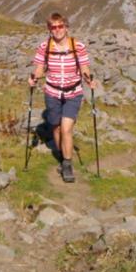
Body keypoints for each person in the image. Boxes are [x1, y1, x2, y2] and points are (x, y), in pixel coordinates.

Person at [28, 12, 96, 182]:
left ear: (66, 27)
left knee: (66, 128)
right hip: (52, 93)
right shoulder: (44, 47)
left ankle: (67, 164)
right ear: (49, 29)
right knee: (56, 128)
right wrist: (34, 77)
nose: (57, 30)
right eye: (53, 27)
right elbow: (39, 68)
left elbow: (84, 67)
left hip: (73, 93)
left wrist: (88, 79)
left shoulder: (78, 46)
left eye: (60, 26)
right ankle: (61, 154)